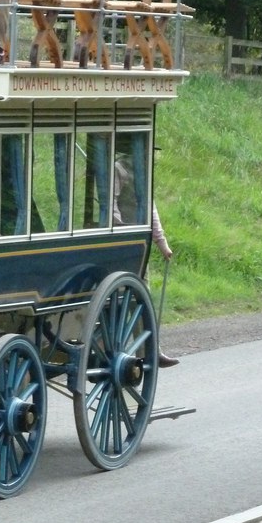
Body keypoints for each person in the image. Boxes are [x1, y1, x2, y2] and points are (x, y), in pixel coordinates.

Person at [114, 154, 179, 368]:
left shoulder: (143, 173)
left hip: (139, 247)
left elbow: (151, 210)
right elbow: (111, 205)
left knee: (143, 298)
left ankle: (150, 349)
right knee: (118, 301)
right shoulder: (119, 170)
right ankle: (116, 348)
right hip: (121, 242)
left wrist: (162, 244)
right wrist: (123, 229)